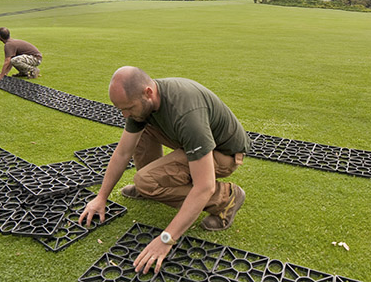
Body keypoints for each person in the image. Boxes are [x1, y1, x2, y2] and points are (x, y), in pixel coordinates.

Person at [79, 66, 249, 275]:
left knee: (145, 181)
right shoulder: (143, 101)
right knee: (142, 131)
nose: (125, 115)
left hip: (224, 154)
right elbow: (123, 152)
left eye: (128, 108)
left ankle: (226, 198)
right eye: (120, 109)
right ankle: (151, 186)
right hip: (193, 142)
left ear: (148, 93)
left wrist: (166, 238)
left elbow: (204, 186)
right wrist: (101, 197)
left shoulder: (186, 114)